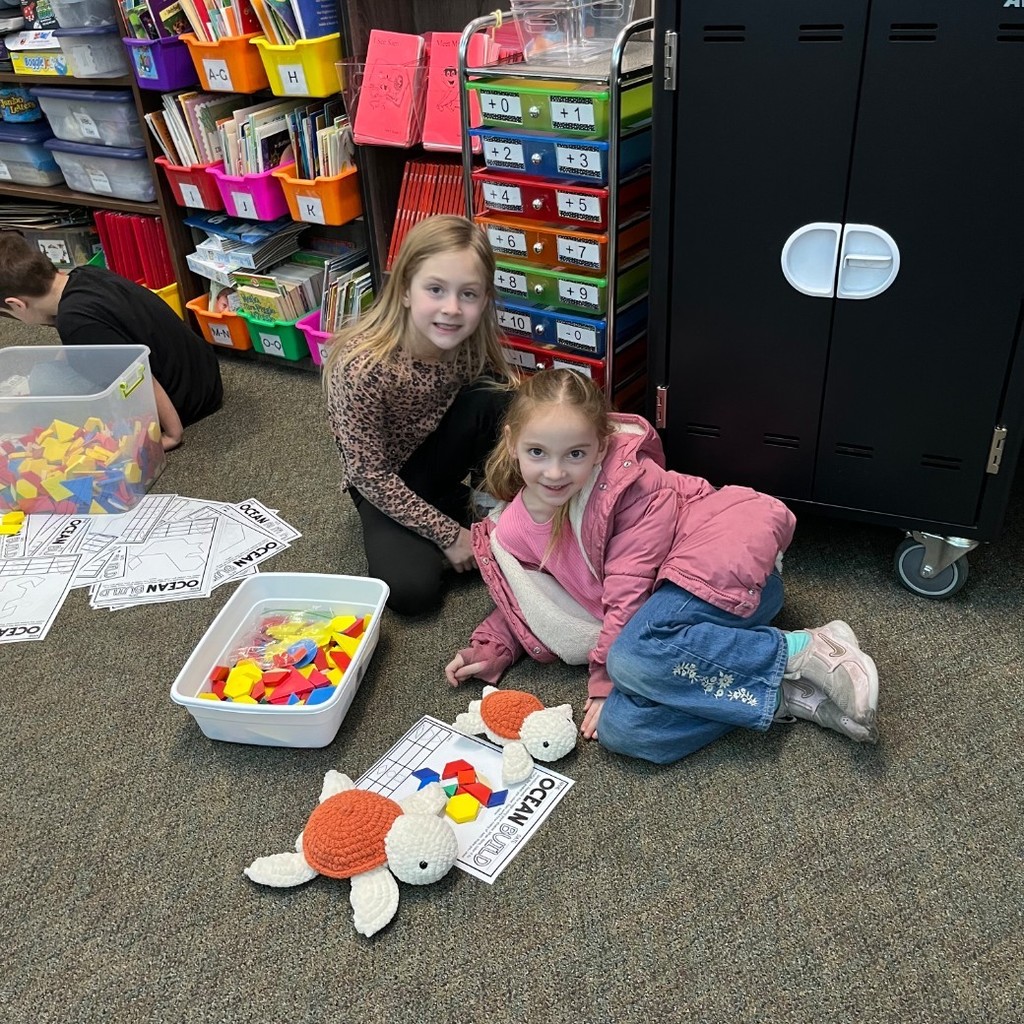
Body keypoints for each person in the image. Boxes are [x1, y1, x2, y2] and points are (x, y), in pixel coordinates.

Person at [444, 369, 880, 765]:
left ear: (600, 447)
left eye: (575, 454)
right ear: (512, 441)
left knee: (630, 658)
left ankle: (800, 650)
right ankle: (785, 695)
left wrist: (602, 679)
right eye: (537, 452)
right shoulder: (515, 525)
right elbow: (531, 594)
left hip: (728, 586)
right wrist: (493, 647)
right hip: (664, 633)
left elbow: (628, 593)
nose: (555, 472)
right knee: (623, 729)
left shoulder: (632, 487)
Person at [323, 215, 516, 616]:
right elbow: (368, 475)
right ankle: (451, 527)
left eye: (468, 294)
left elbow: (496, 418)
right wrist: (449, 536)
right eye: (435, 289)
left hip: (440, 464)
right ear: (407, 289)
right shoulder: (361, 366)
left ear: (484, 299)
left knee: (498, 392)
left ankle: (485, 506)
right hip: (382, 482)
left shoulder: (472, 345)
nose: (451, 309)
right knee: (413, 592)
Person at [0, 232, 223, 452]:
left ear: (17, 304)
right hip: (204, 374)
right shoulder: (84, 274)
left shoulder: (77, 323)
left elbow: (139, 374)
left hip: (182, 401)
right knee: (54, 372)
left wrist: (172, 433)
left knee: (43, 378)